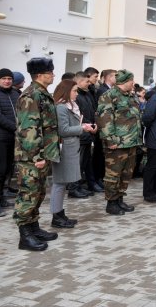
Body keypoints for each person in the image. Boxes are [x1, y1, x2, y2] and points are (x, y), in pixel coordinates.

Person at [13, 58, 61, 251]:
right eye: (51, 73)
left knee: (39, 193)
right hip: (31, 157)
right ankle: (24, 236)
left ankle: (33, 227)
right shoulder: (31, 96)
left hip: (44, 153)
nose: (53, 75)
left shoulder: (41, 94)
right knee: (28, 194)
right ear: (41, 75)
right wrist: (37, 157)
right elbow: (29, 130)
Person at [97, 69, 143, 216]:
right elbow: (104, 119)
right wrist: (110, 140)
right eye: (131, 81)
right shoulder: (109, 96)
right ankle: (111, 203)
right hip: (117, 144)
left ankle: (120, 199)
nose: (133, 83)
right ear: (124, 82)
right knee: (113, 175)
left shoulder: (131, 96)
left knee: (126, 174)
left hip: (131, 142)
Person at [51, 80, 95, 228]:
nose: (76, 93)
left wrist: (81, 126)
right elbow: (63, 130)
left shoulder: (70, 106)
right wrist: (82, 128)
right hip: (65, 148)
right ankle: (56, 216)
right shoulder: (61, 108)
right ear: (66, 91)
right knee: (59, 183)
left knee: (63, 183)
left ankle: (60, 213)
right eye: (74, 90)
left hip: (71, 147)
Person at [0, 68, 20, 217]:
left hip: (14, 138)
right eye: (4, 78)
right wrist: (16, 128)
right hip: (1, 138)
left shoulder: (15, 94)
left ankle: (1, 198)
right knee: (0, 170)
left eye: (9, 78)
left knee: (7, 171)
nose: (7, 81)